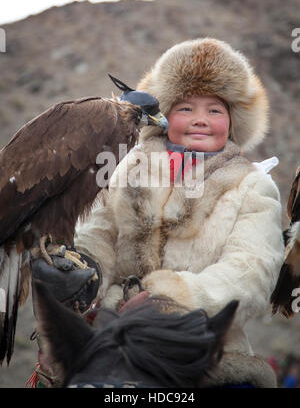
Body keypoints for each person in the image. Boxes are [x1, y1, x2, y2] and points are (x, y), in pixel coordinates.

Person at [34, 38, 285, 387]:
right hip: (112, 340)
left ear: (234, 120)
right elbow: (98, 233)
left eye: (215, 110)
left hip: (203, 354)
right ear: (163, 115)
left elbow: (251, 272)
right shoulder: (124, 167)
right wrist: (84, 272)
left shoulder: (252, 186)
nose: (200, 120)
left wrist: (166, 300)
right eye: (185, 109)